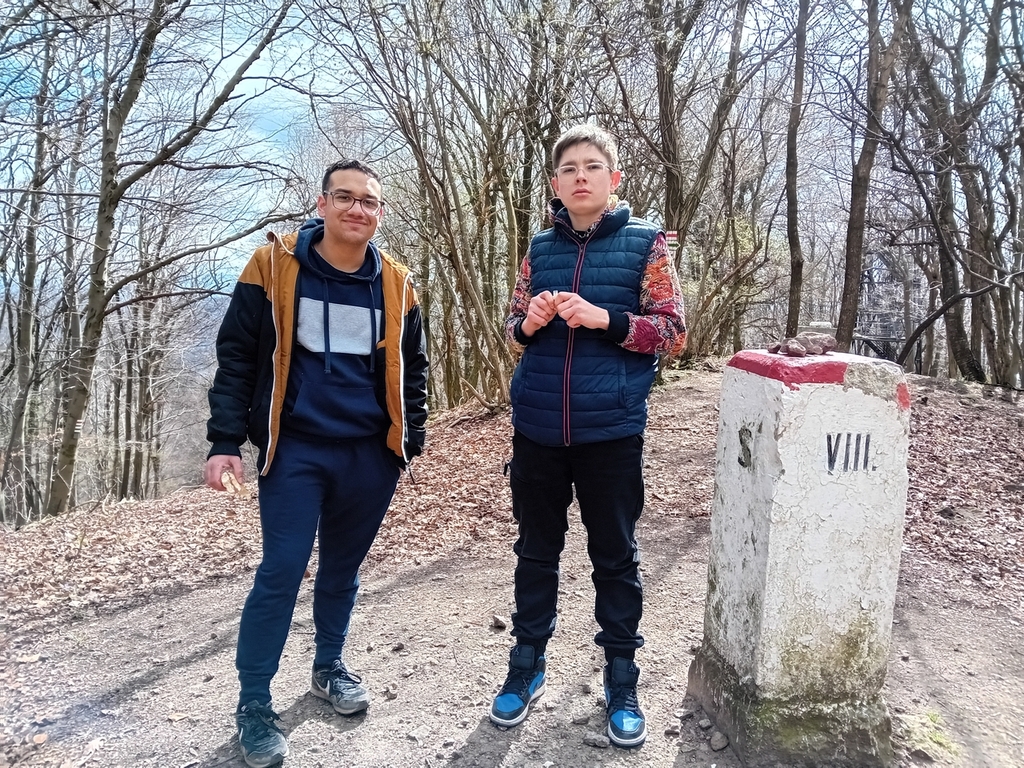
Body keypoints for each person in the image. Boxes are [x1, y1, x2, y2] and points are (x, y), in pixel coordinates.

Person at [204, 159, 428, 768]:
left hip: (369, 455)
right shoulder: (272, 267)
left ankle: (328, 666)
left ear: (379, 213)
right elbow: (237, 357)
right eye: (345, 197)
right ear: (322, 204)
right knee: (281, 569)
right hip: (295, 449)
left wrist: (409, 441)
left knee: (342, 569)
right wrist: (224, 441)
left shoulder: (398, 283)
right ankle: (254, 703)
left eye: (369, 202)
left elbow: (414, 368)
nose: (358, 209)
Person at [491, 125, 687, 748]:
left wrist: (607, 320)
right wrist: (529, 322)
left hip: (611, 431)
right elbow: (510, 331)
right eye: (570, 168)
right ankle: (527, 665)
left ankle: (622, 678)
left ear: (614, 178)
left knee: (615, 557)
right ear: (555, 183)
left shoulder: (646, 243)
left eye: (592, 166)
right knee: (535, 553)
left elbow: (673, 331)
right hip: (538, 430)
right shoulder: (539, 247)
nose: (581, 176)